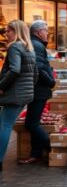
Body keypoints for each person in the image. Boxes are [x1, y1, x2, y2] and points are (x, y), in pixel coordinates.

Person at [0, 20, 36, 172]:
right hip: (24, 94)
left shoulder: (15, 47)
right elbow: (36, 73)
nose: (6, 33)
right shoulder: (29, 48)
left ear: (16, 32)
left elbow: (15, 70)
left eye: (8, 31)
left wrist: (1, 86)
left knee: (5, 125)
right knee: (4, 123)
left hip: (14, 93)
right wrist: (29, 88)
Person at [19, 21, 56, 165]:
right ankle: (51, 147)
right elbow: (39, 68)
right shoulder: (37, 45)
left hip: (38, 89)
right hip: (39, 89)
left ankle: (36, 153)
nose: (47, 33)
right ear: (38, 32)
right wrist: (50, 82)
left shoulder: (36, 44)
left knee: (32, 122)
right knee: (32, 123)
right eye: (46, 31)